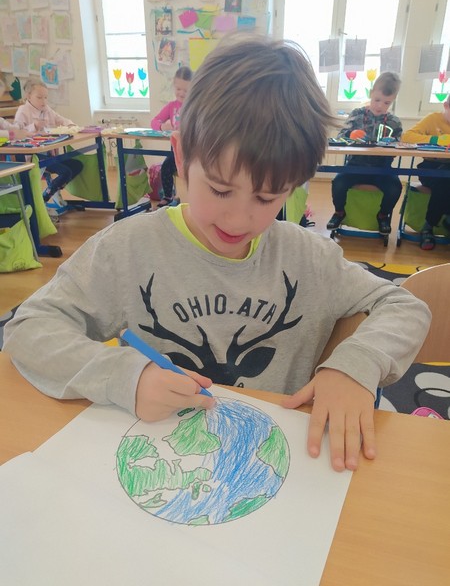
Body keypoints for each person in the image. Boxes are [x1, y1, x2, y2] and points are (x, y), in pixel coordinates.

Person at [4, 35, 430, 473]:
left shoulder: (310, 258)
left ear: (294, 187)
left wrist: (355, 366)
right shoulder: (126, 249)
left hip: (277, 466)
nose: (239, 219)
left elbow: (405, 306)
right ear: (181, 155)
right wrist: (126, 377)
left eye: (266, 198)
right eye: (220, 189)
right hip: (170, 460)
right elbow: (29, 328)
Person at [326, 72, 403, 235]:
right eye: (377, 100)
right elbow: (340, 137)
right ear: (371, 93)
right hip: (355, 166)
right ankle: (339, 212)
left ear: (393, 100)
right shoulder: (357, 114)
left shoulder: (394, 122)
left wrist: (391, 145)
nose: (380, 106)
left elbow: (397, 146)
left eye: (387, 103)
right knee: (338, 183)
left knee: (395, 188)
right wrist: (350, 135)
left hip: (382, 169)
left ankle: (383, 215)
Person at [14, 77, 83, 204]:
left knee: (77, 165)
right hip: (34, 156)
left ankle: (54, 188)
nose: (44, 101)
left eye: (46, 97)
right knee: (66, 172)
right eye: (39, 98)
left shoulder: (46, 109)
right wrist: (33, 126)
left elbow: (60, 119)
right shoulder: (23, 111)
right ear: (28, 96)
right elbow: (16, 133)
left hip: (48, 153)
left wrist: (71, 125)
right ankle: (44, 198)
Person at [400, 95, 450, 250]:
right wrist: (436, 140)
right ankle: (429, 225)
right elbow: (407, 137)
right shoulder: (432, 119)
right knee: (444, 182)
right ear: (446, 105)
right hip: (430, 167)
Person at [151, 66, 193, 206]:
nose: (181, 93)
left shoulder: (194, 106)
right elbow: (154, 122)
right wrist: (163, 126)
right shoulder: (171, 107)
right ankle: (169, 197)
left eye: (186, 90)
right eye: (178, 89)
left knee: (194, 173)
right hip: (176, 152)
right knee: (166, 166)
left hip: (192, 153)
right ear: (174, 86)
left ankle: (196, 200)